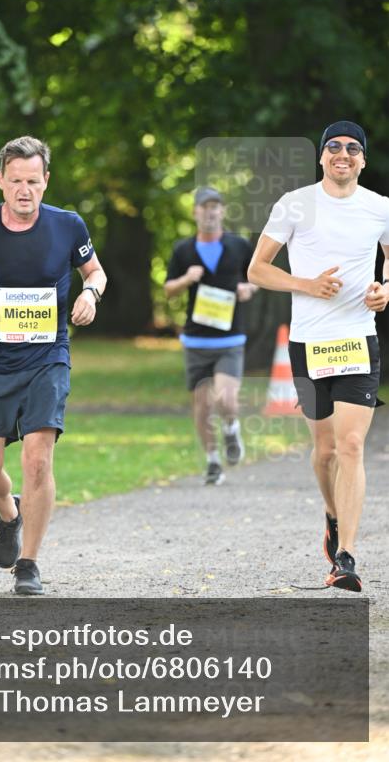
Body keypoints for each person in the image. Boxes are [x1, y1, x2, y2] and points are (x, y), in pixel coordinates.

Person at [0, 135, 106, 595]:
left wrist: (91, 293)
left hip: (47, 357)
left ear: (46, 180)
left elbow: (95, 270)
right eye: (15, 181)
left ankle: (28, 564)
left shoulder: (68, 226)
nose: (24, 190)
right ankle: (10, 515)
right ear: (1, 180)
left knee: (37, 458)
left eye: (32, 181)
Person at [248, 121, 389, 592]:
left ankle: (345, 557)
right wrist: (307, 285)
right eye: (333, 146)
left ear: (363, 159)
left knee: (351, 446)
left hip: (358, 340)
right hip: (309, 344)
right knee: (325, 450)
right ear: (322, 157)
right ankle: (332, 514)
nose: (342, 154)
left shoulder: (380, 208)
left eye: (352, 148)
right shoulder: (295, 204)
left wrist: (385, 289)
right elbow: (257, 269)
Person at [165, 188, 257, 485]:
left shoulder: (239, 246)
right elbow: (168, 290)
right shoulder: (183, 250)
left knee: (226, 399)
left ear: (223, 211)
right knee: (202, 407)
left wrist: (248, 288)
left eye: (215, 207)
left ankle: (231, 428)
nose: (210, 212)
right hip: (196, 340)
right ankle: (213, 461)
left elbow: (257, 276)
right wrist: (186, 278)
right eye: (205, 207)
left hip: (229, 340)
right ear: (195, 212)